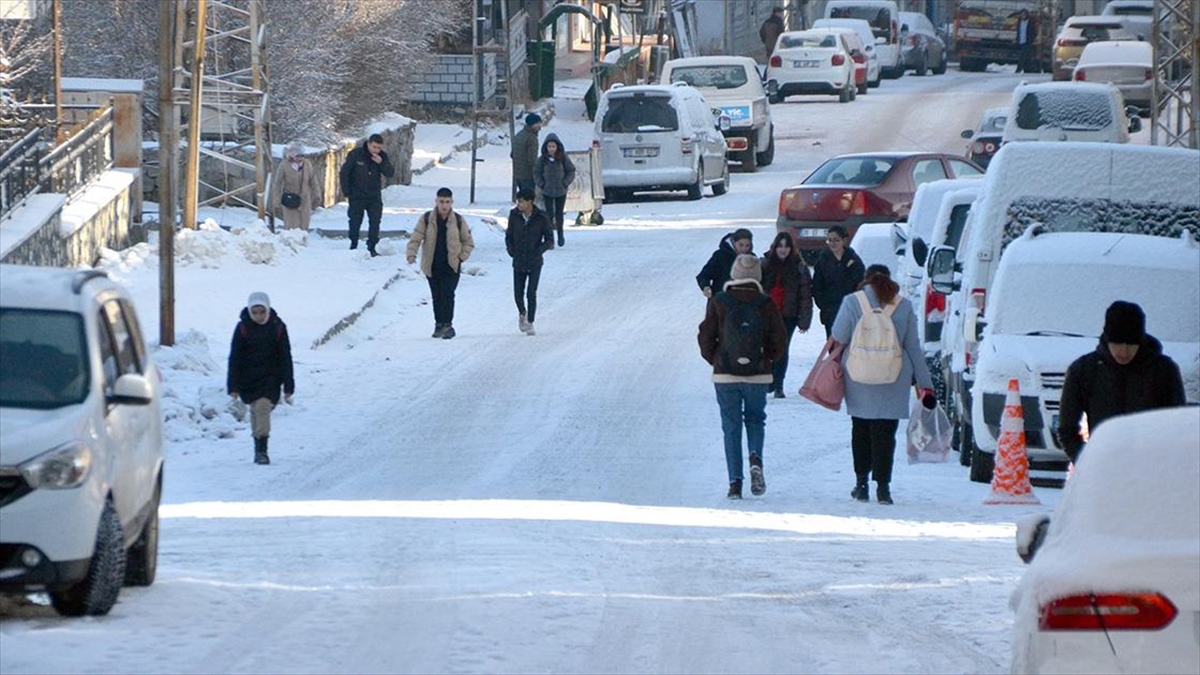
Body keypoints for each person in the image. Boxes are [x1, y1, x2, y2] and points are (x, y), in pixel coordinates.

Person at [831, 265, 934, 505]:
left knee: (861, 429)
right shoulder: (904, 305)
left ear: (866, 281)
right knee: (886, 432)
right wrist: (924, 383)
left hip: (858, 375)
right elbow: (913, 347)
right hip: (894, 376)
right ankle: (884, 488)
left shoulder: (852, 302)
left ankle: (861, 483)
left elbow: (839, 335)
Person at [698, 254, 788, 499]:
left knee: (731, 426)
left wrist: (716, 359)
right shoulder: (765, 303)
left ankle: (735, 482)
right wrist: (766, 359)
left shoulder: (719, 301)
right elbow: (780, 340)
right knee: (756, 420)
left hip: (726, 375)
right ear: (757, 276)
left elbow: (705, 336)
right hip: (757, 375)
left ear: (733, 274)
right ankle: (755, 455)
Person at [1058, 301, 1186, 463]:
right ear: (1107, 339)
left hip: (1151, 467)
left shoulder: (1164, 370)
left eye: (1131, 344)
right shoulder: (1084, 370)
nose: (1124, 352)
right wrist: (1086, 461)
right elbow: (1067, 429)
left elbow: (1177, 425)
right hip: (1103, 466)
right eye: (1117, 343)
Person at [227, 292, 295, 466]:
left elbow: (285, 356)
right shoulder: (242, 328)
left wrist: (288, 385)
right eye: (255, 312)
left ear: (267, 310)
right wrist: (233, 386)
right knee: (255, 409)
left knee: (263, 408)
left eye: (261, 312)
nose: (258, 316)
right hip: (248, 379)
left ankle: (262, 450)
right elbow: (235, 357)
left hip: (271, 378)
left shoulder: (277, 327)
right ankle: (258, 444)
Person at [406, 187, 475, 339]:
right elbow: (416, 238)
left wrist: (461, 257)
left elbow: (468, 242)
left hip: (451, 265)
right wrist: (411, 254)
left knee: (448, 294)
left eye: (447, 202)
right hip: (432, 264)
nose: (444, 205)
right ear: (436, 202)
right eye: (441, 202)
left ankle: (448, 325)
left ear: (452, 203)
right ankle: (439, 324)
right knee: (436, 295)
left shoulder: (458, 220)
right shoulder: (427, 219)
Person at [761, 231, 813, 398]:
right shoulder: (765, 264)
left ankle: (778, 384)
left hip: (788, 315)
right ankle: (768, 381)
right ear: (775, 247)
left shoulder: (799, 267)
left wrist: (804, 321)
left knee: (782, 349)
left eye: (786, 246)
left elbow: (805, 296)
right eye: (780, 246)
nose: (783, 250)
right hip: (767, 315)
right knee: (767, 348)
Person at [505, 188, 554, 336]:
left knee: (531, 292)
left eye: (521, 201)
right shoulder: (514, 215)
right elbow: (509, 235)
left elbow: (550, 239)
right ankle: (522, 313)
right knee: (518, 293)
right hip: (519, 259)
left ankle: (531, 321)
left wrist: (539, 250)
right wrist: (511, 250)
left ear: (530, 201)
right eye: (517, 201)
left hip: (534, 261)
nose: (518, 204)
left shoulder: (541, 217)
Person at [338, 133, 395, 256]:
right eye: (374, 147)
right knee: (355, 220)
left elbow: (390, 173)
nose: (376, 150)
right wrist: (347, 192)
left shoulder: (382, 156)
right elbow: (344, 173)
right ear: (368, 144)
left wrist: (382, 163)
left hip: (374, 195)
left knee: (375, 221)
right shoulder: (356, 154)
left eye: (379, 148)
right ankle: (353, 245)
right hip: (357, 194)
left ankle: (372, 247)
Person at [811, 225, 865, 337]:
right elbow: (817, 286)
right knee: (832, 343)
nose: (833, 243)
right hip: (830, 311)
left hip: (850, 310)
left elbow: (860, 283)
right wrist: (823, 305)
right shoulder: (823, 260)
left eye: (836, 240)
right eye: (830, 240)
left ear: (843, 240)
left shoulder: (853, 260)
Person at [533, 133, 576, 248]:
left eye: (553, 146)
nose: (551, 149)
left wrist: (565, 182)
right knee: (548, 215)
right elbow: (536, 173)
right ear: (546, 147)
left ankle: (561, 234)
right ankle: (550, 238)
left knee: (559, 214)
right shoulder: (542, 159)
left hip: (560, 190)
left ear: (557, 147)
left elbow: (571, 170)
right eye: (549, 146)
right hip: (547, 191)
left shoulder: (563, 158)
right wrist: (542, 184)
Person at [271, 144, 323, 232]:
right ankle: (292, 243)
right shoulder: (284, 165)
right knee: (292, 226)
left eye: (302, 155)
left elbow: (313, 181)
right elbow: (277, 183)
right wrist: (276, 199)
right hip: (290, 198)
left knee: (304, 225)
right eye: (298, 156)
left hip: (304, 199)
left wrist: (317, 195)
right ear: (292, 156)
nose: (300, 158)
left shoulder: (307, 164)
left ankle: (302, 243)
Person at [697, 228, 753, 299]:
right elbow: (704, 275)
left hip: (744, 301)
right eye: (741, 245)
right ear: (733, 242)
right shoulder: (720, 256)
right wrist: (706, 287)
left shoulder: (752, 258)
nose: (744, 249)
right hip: (721, 301)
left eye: (747, 245)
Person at [511, 113, 542, 200]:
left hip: (518, 175)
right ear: (532, 124)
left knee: (523, 200)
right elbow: (532, 160)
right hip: (528, 176)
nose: (540, 126)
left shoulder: (519, 135)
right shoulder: (531, 138)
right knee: (529, 202)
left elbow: (512, 154)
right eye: (538, 123)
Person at [1015, 9, 1036, 74]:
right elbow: (1019, 31)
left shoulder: (1030, 22)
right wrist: (1017, 39)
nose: (1023, 16)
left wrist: (1032, 39)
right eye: (1022, 15)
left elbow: (1033, 31)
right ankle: (1030, 69)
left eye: (1024, 14)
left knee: (1023, 56)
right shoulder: (1019, 22)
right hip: (1021, 41)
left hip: (1027, 41)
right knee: (1027, 57)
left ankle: (1018, 69)